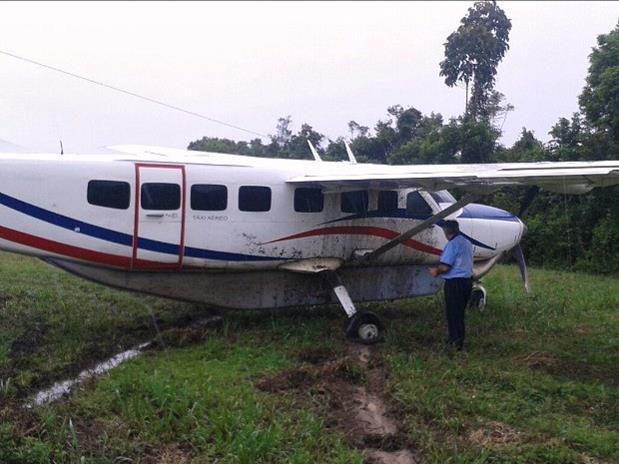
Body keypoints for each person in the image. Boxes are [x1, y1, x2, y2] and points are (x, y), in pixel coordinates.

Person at [429, 220, 473, 351]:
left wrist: (435, 271)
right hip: (467, 282)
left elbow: (445, 267)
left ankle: (456, 343)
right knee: (459, 313)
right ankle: (457, 339)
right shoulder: (467, 242)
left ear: (446, 231)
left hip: (455, 283)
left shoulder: (452, 245)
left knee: (453, 313)